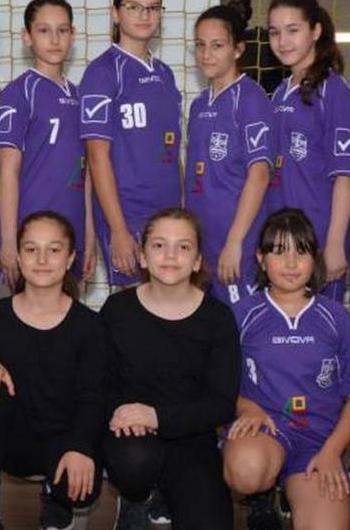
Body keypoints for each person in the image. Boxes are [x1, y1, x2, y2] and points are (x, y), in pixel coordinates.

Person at [222, 208, 350, 530]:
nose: (291, 263)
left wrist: (332, 452)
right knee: (247, 471)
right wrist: (247, 407)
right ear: (261, 258)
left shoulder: (337, 318)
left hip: (318, 441)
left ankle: (294, 487)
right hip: (265, 430)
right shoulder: (240, 315)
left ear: (314, 258)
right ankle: (262, 493)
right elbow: (219, 383)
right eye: (279, 251)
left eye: (300, 252)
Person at [0, 211, 106, 530]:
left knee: (81, 491)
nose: (42, 260)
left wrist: (81, 447)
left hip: (63, 441)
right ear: (18, 256)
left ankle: (56, 497)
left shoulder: (90, 326)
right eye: (31, 249)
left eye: (53, 250)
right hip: (12, 442)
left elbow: (94, 398)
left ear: (70, 259)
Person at [101, 208, 240, 530]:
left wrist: (158, 417)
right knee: (135, 461)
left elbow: (221, 404)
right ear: (142, 256)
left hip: (191, 438)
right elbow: (98, 382)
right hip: (130, 434)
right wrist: (123, 413)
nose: (170, 255)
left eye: (184, 246)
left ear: (197, 261)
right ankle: (136, 496)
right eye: (159, 245)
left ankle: (169, 490)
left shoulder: (218, 318)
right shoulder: (117, 310)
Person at [80, 0, 183, 287]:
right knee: (136, 304)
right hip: (127, 212)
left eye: (153, 8)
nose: (144, 15)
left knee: (169, 301)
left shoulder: (165, 73)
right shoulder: (101, 73)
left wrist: (182, 211)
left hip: (168, 211)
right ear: (115, 13)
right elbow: (96, 158)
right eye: (133, 7)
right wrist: (118, 230)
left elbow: (173, 150)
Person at [0, 0, 94, 288]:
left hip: (72, 232)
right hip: (31, 232)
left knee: (68, 312)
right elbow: (7, 172)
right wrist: (8, 241)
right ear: (27, 37)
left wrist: (89, 236)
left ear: (73, 34)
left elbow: (89, 172)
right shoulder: (18, 93)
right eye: (43, 30)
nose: (54, 39)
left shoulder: (82, 96)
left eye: (62, 30)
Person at [265, 0, 350, 301]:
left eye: (293, 30)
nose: (283, 41)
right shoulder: (280, 92)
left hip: (317, 237)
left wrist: (334, 242)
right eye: (275, 32)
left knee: (319, 326)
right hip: (281, 237)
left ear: (315, 30)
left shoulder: (334, 91)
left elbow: (345, 174)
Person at [185, 0, 273, 304]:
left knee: (241, 324)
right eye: (200, 45)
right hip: (204, 241)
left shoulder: (251, 98)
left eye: (217, 45)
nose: (206, 54)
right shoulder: (199, 104)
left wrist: (235, 242)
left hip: (236, 242)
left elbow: (259, 175)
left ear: (238, 49)